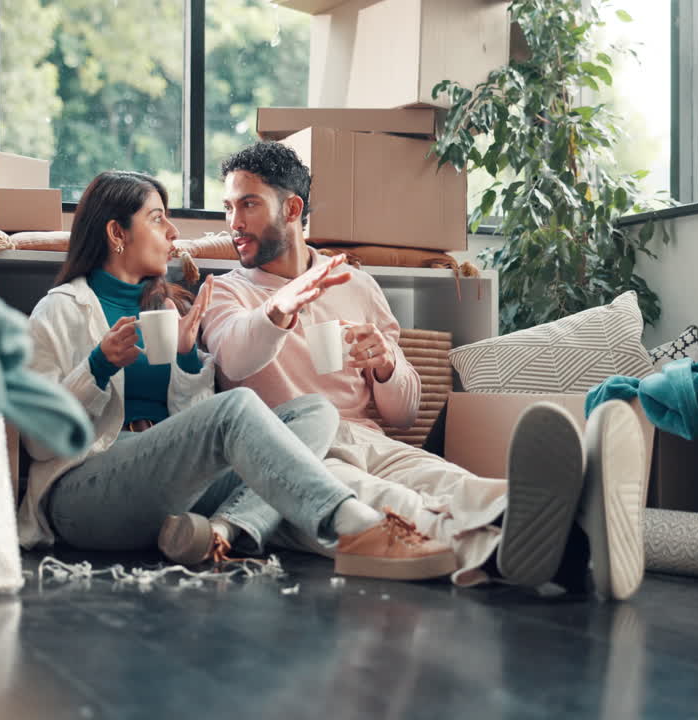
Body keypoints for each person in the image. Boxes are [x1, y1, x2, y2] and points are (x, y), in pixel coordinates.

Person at [201, 143, 648, 598]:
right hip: (290, 454)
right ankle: (566, 552)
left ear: (292, 208)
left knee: (456, 484)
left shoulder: (355, 283)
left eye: (248, 204)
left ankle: (573, 518)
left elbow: (404, 415)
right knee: (386, 504)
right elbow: (236, 357)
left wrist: (386, 365)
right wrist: (282, 305)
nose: (234, 223)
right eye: (228, 207)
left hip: (370, 437)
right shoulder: (225, 293)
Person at [17, 170, 458, 581]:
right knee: (240, 409)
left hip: (164, 493)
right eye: (157, 219)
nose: (172, 233)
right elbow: (38, 442)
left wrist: (188, 359)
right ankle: (358, 528)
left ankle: (225, 530)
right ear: (117, 232)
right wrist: (98, 365)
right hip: (84, 494)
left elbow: (194, 427)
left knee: (316, 412)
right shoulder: (60, 309)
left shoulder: (166, 309)